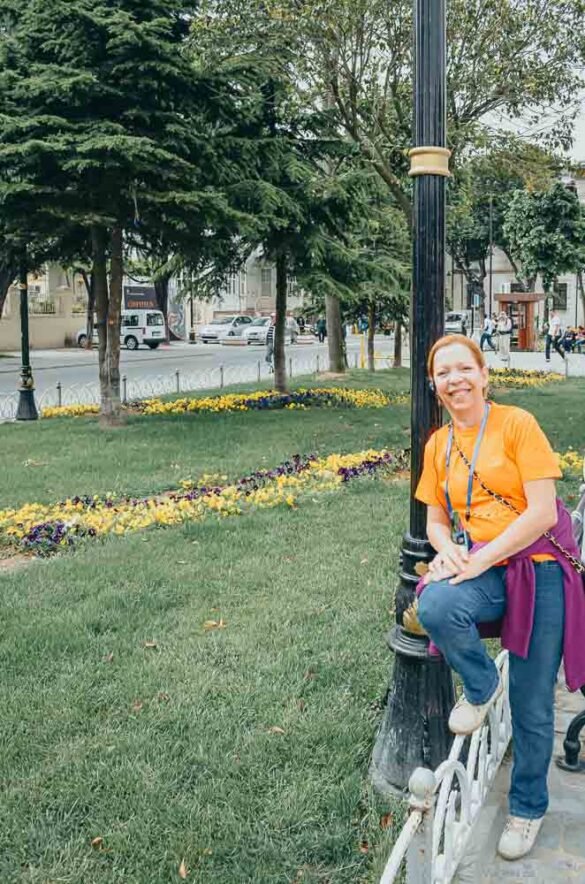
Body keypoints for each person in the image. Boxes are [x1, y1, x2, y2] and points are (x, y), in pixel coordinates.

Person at [415, 334, 585, 862]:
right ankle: (482, 683)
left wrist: (479, 559)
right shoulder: (438, 445)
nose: (455, 380)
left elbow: (538, 512)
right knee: (437, 603)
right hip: (486, 564)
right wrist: (445, 552)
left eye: (465, 368)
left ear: (484, 375)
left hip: (540, 568)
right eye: (444, 372)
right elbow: (436, 520)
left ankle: (528, 807)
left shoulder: (517, 424)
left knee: (533, 703)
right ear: (434, 384)